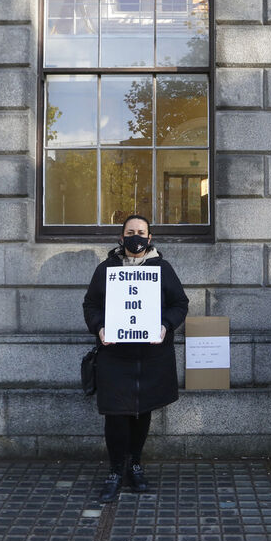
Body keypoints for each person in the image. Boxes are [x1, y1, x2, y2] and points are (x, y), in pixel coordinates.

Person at [82, 215, 189, 503]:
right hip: (115, 356)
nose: (136, 237)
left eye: (141, 232)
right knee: (116, 416)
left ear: (150, 238)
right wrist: (100, 327)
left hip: (151, 356)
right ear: (121, 237)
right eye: (130, 232)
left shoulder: (162, 269)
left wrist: (165, 325)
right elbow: (90, 304)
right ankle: (116, 469)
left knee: (142, 412)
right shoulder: (106, 269)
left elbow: (180, 303)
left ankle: (136, 464)